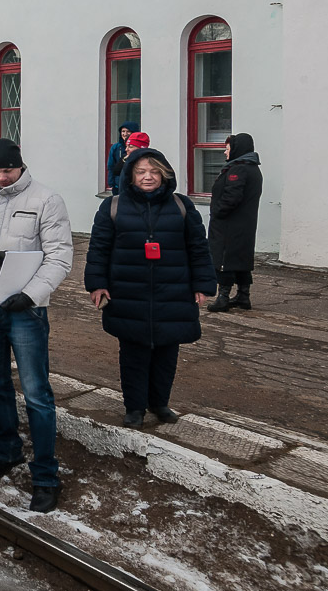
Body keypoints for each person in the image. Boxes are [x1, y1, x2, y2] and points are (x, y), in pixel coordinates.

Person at [0, 137, 72, 513]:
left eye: (7, 170)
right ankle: (7, 449)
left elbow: (59, 257)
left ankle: (45, 474)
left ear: (19, 165)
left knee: (37, 392)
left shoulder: (46, 200)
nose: (2, 177)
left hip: (26, 309)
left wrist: (33, 294)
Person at [84, 149, 215, 429]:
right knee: (133, 354)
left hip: (174, 290)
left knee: (167, 352)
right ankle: (134, 407)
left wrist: (203, 284)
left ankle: (159, 403)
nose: (148, 177)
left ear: (164, 174)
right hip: (129, 292)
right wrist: (97, 284)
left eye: (154, 171)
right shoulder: (113, 207)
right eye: (141, 171)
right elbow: (99, 250)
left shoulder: (182, 206)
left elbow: (198, 248)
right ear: (131, 175)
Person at [207, 133, 263, 312]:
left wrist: (217, 212)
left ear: (237, 149)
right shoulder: (252, 168)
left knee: (224, 259)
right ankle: (243, 295)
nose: (225, 152)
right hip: (244, 224)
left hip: (229, 224)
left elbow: (232, 197)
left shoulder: (238, 169)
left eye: (228, 148)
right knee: (241, 257)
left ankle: (223, 297)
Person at [107, 121, 140, 194]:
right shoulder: (116, 147)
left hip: (133, 185)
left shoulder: (139, 147)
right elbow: (111, 166)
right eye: (123, 131)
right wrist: (112, 183)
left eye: (128, 131)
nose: (125, 134)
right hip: (118, 185)